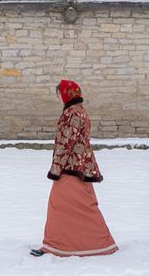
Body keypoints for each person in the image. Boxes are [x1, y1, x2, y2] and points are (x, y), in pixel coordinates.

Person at [32, 80, 118, 257]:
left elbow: (66, 143)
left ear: (66, 94)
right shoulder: (80, 111)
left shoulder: (72, 113)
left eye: (59, 94)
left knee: (60, 206)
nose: (58, 97)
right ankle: (94, 243)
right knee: (83, 206)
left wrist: (55, 169)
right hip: (81, 166)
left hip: (71, 167)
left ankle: (57, 245)